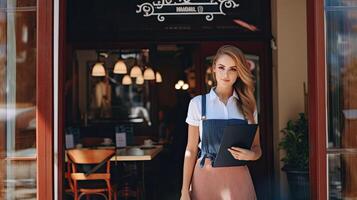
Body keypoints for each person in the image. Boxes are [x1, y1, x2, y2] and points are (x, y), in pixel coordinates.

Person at [180, 45, 261, 200]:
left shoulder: (249, 106)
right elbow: (190, 150)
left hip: (238, 179)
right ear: (214, 69)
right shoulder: (198, 104)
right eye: (222, 67)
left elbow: (257, 149)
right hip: (205, 177)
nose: (226, 74)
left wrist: (251, 155)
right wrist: (184, 190)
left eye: (232, 69)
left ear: (239, 73)